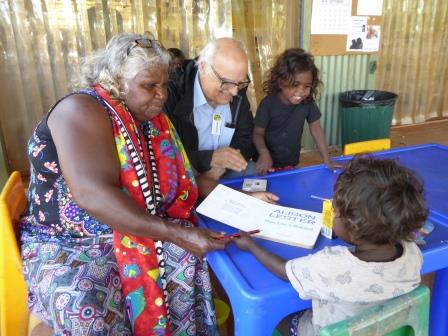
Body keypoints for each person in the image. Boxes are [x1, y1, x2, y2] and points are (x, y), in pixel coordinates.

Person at [19, 32, 230, 336]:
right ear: (116, 79)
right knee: (88, 312)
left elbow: (185, 181)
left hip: (120, 230)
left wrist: (242, 201)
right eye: (149, 86)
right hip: (67, 242)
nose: (162, 95)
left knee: (187, 260)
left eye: (163, 85)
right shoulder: (80, 110)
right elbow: (93, 194)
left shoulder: (145, 120)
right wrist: (174, 233)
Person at [233, 155, 428, 335]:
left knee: (276, 316)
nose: (331, 211)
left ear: (354, 227)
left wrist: (251, 246)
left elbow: (285, 271)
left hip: (329, 330)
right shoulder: (412, 252)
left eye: (335, 209)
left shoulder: (332, 264)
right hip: (387, 328)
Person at [164, 38, 256, 180]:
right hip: (185, 176)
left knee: (253, 171)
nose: (234, 92)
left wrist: (224, 163)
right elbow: (165, 154)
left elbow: (247, 137)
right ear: (203, 67)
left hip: (222, 172)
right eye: (226, 83)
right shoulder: (171, 93)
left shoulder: (236, 87)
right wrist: (209, 158)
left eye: (240, 83)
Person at [253, 48, 339, 175]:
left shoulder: (308, 103)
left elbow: (316, 129)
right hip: (266, 165)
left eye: (307, 86)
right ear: (281, 81)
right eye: (295, 85)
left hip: (292, 164)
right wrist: (264, 153)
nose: (301, 91)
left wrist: (327, 159)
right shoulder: (268, 104)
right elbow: (257, 134)